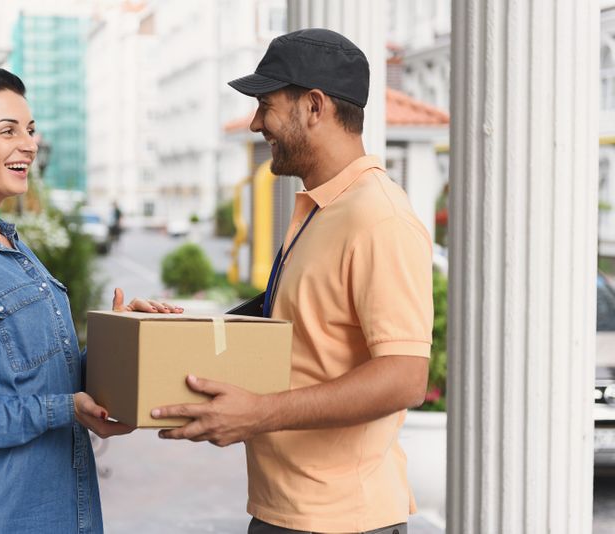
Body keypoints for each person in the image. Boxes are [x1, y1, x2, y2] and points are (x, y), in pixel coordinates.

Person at [151, 29, 433, 534]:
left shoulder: (379, 217)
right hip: (287, 511)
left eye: (266, 106)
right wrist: (165, 335)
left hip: (343, 519)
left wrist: (261, 413)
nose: (256, 123)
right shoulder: (321, 208)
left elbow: (405, 377)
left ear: (314, 106)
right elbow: (297, 330)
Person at [0, 64, 181, 534]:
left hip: (61, 511)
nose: (29, 144)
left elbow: (49, 377)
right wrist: (61, 409)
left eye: (30, 130)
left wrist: (122, 338)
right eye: (7, 130)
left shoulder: (15, 249)